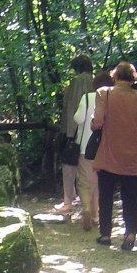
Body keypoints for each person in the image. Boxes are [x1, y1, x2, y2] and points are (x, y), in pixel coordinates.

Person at [91, 61, 137, 251]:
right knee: (131, 196)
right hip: (133, 156)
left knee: (106, 195)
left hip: (108, 154)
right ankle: (130, 233)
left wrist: (93, 124)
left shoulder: (104, 93)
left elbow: (97, 122)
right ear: (133, 79)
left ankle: (105, 234)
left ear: (115, 76)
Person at [73, 70, 114, 231]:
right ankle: (96, 216)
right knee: (99, 182)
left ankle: (86, 209)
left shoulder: (87, 98)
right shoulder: (114, 98)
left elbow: (78, 118)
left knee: (84, 182)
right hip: (106, 148)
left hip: (87, 146)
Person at [56, 53, 94, 214]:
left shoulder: (76, 82)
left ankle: (68, 201)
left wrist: (69, 133)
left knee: (68, 166)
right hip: (94, 131)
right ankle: (91, 204)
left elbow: (71, 108)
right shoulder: (96, 81)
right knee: (90, 169)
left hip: (75, 130)